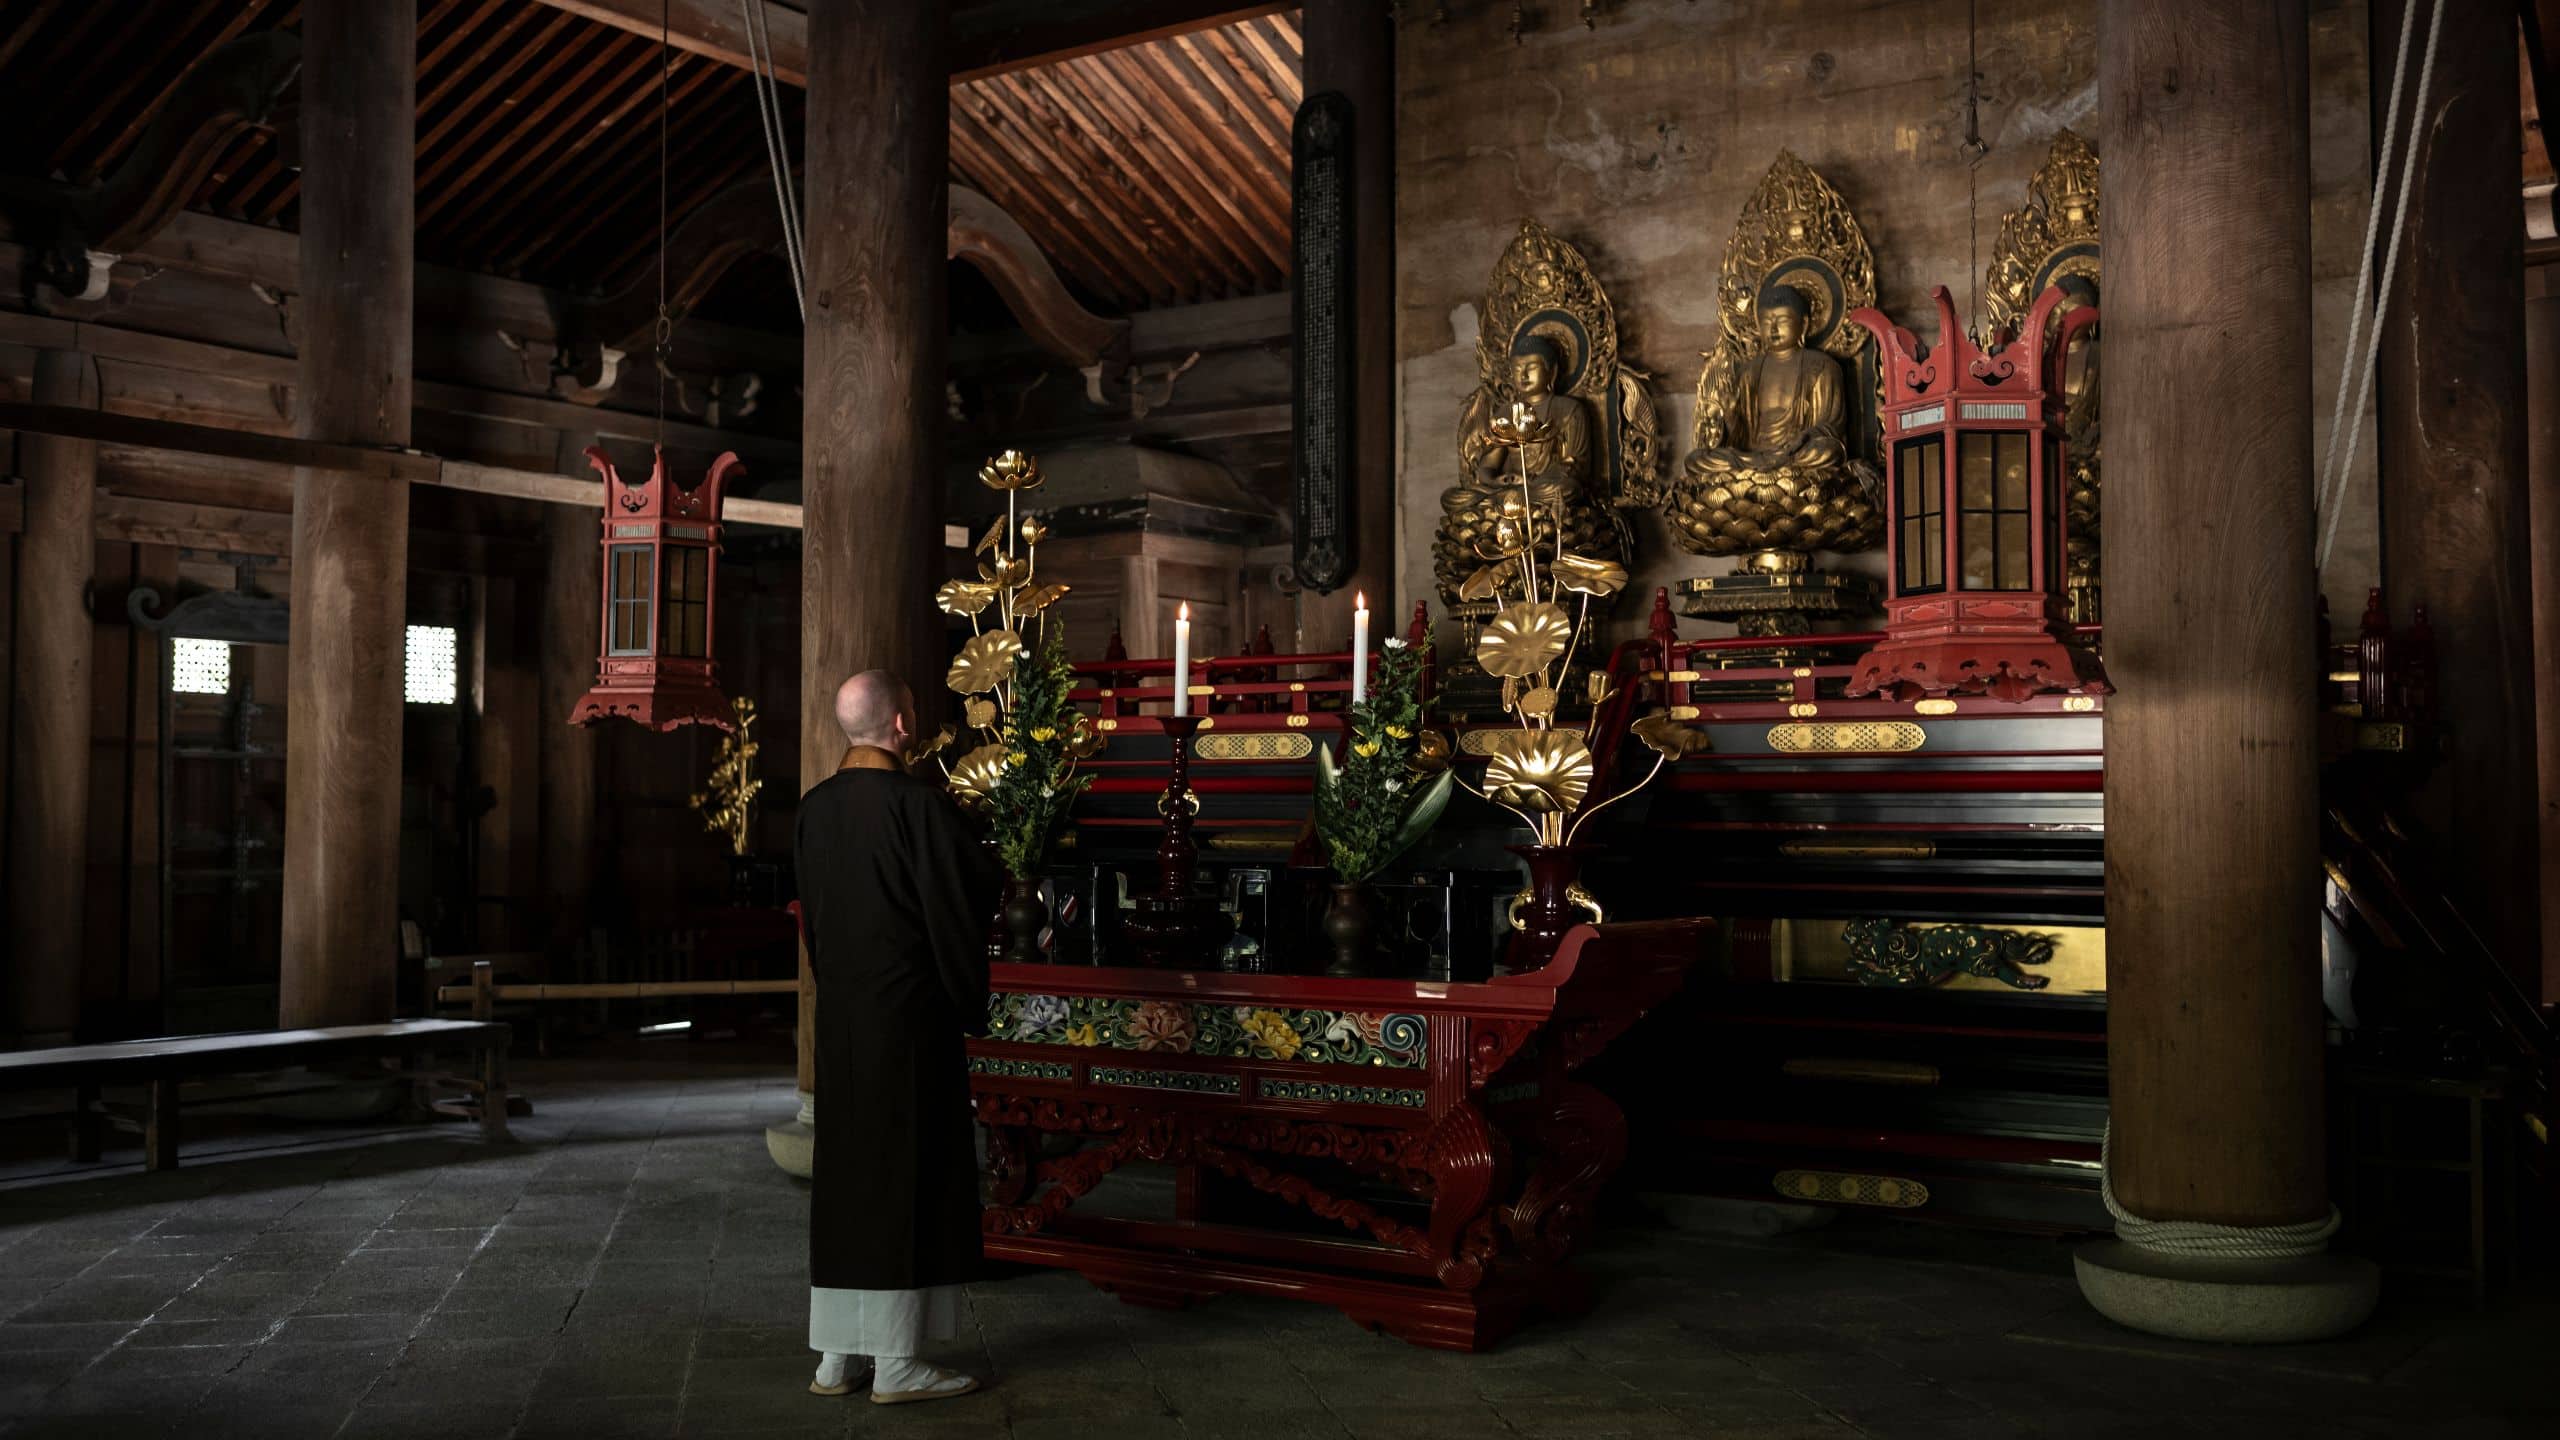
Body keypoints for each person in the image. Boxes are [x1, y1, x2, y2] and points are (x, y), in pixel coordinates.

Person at [796, 669, 999, 1404]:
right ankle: (899, 1364)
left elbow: (812, 925)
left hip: (844, 1019)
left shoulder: (814, 810)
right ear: (903, 726)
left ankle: (836, 1357)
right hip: (909, 1023)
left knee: (848, 1181)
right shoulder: (921, 807)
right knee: (903, 1181)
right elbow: (966, 902)